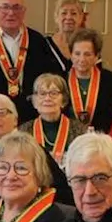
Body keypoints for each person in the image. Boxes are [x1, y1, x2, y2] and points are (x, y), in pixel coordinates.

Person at [65, 29, 112, 136]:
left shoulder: (111, 81)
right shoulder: (61, 80)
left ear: (97, 56)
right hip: (68, 142)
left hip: (103, 142)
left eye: (87, 54)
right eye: (77, 54)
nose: (81, 59)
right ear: (71, 55)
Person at [27, 73, 77, 202]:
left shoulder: (80, 131)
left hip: (70, 191)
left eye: (54, 93)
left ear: (64, 100)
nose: (47, 98)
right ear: (34, 101)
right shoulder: (23, 132)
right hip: (34, 192)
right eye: (42, 94)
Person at [41, 0, 86, 76]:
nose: (68, 17)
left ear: (81, 17)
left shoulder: (88, 46)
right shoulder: (44, 45)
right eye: (64, 13)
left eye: (73, 13)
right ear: (56, 17)